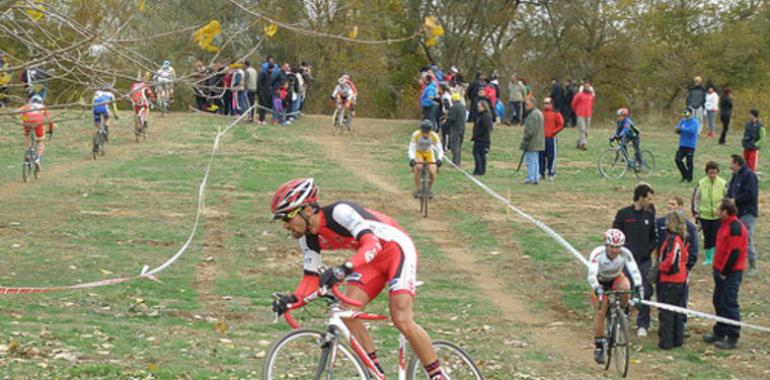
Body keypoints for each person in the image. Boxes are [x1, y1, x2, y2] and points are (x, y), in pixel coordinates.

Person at [269, 178, 448, 379]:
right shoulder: (307, 237)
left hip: (396, 249)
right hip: (372, 262)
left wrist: (344, 269)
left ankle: (436, 374)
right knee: (346, 313)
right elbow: (310, 279)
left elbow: (372, 244)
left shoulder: (340, 212)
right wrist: (292, 300)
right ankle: (375, 373)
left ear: (308, 210)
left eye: (287, 217)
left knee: (401, 317)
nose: (285, 225)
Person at [587, 229, 643, 364]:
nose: (615, 250)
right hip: (600, 282)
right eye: (612, 246)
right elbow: (591, 274)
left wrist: (639, 287)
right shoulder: (597, 254)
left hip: (616, 279)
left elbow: (634, 270)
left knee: (626, 287)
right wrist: (596, 288)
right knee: (600, 313)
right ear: (606, 245)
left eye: (618, 247)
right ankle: (599, 346)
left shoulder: (625, 253)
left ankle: (622, 312)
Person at [703, 198, 748, 350]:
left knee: (729, 302)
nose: (716, 211)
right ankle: (720, 331)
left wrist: (724, 272)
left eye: (718, 209)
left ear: (725, 211)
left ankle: (733, 335)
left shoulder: (735, 227)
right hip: (720, 269)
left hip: (730, 272)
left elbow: (734, 252)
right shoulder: (723, 225)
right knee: (718, 301)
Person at [612, 183, 657, 337]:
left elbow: (654, 238)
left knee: (645, 291)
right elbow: (615, 234)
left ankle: (643, 324)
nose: (650, 202)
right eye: (648, 199)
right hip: (625, 262)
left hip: (644, 262)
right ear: (640, 197)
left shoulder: (649, 216)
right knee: (623, 291)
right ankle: (621, 319)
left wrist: (647, 250)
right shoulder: (623, 214)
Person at [656, 212, 689, 350]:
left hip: (670, 280)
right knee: (677, 311)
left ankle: (667, 342)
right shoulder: (682, 239)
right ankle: (677, 339)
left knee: (667, 312)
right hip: (680, 279)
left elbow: (670, 260)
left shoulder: (672, 239)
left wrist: (659, 268)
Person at [726, 155, 759, 276]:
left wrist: (735, 201)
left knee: (747, 238)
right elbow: (730, 191)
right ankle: (736, 262)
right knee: (735, 238)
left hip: (747, 212)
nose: (730, 166)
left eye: (731, 163)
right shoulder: (735, 176)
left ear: (736, 163)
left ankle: (753, 264)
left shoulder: (749, 175)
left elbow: (751, 194)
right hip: (736, 213)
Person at [692, 161, 727, 266]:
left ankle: (716, 256)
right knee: (707, 236)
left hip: (718, 216)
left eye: (715, 173)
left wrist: (725, 212)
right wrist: (696, 213)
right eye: (710, 173)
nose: (712, 175)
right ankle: (708, 257)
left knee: (716, 236)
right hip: (704, 215)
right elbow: (696, 199)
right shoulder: (701, 183)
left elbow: (727, 198)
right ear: (707, 172)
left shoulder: (723, 183)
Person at [408, 120, 444, 198]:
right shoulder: (416, 134)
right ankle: (417, 189)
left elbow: (439, 149)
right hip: (419, 152)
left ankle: (429, 190)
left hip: (429, 153)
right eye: (424, 132)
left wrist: (439, 159)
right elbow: (411, 148)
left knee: (432, 173)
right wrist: (412, 159)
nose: (425, 134)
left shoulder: (434, 135)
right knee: (418, 167)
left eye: (427, 132)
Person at [19, 95, 54, 167]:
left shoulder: (26, 106)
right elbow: (50, 120)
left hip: (27, 121)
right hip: (38, 122)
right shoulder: (42, 107)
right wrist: (51, 130)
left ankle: (27, 152)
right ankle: (38, 159)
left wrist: (24, 121)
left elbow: (21, 114)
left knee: (26, 135)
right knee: (40, 141)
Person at [521, 97, 544, 184]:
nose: (525, 106)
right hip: (536, 141)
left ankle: (531, 178)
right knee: (534, 160)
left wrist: (525, 138)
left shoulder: (534, 114)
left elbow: (531, 130)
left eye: (527, 104)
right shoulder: (537, 113)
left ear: (533, 104)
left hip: (532, 142)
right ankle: (535, 178)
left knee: (530, 161)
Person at [539, 97, 564, 180]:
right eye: (544, 103)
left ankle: (551, 172)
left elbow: (561, 124)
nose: (544, 105)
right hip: (542, 138)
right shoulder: (541, 113)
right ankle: (541, 173)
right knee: (541, 156)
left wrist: (553, 132)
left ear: (551, 104)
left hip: (551, 138)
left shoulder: (555, 113)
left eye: (546, 103)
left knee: (551, 156)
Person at [674, 107, 699, 182]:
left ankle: (689, 178)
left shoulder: (694, 122)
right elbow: (677, 128)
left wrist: (682, 129)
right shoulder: (682, 121)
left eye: (686, 112)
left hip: (690, 145)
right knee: (677, 159)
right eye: (684, 112)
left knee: (689, 162)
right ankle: (685, 175)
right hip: (682, 144)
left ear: (690, 113)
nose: (684, 114)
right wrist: (678, 130)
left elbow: (692, 130)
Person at [571, 81, 595, 150]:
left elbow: (591, 103)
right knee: (582, 129)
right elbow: (573, 103)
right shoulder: (579, 95)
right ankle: (583, 144)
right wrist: (576, 111)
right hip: (580, 114)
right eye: (585, 86)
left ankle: (579, 141)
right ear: (583, 87)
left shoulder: (591, 95)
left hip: (588, 114)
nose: (587, 88)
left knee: (586, 130)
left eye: (588, 86)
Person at [471, 100, 492, 175]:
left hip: (482, 139)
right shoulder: (479, 115)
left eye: (479, 106)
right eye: (478, 106)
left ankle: (480, 170)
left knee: (479, 154)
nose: (478, 108)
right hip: (478, 139)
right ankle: (478, 169)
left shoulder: (485, 116)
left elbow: (486, 128)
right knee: (477, 154)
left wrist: (478, 135)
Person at [446, 92, 466, 166]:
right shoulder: (463, 106)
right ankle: (458, 161)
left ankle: (455, 162)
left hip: (455, 128)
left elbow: (452, 119)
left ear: (453, 100)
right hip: (462, 128)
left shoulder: (453, 107)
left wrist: (447, 119)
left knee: (454, 146)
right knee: (459, 146)